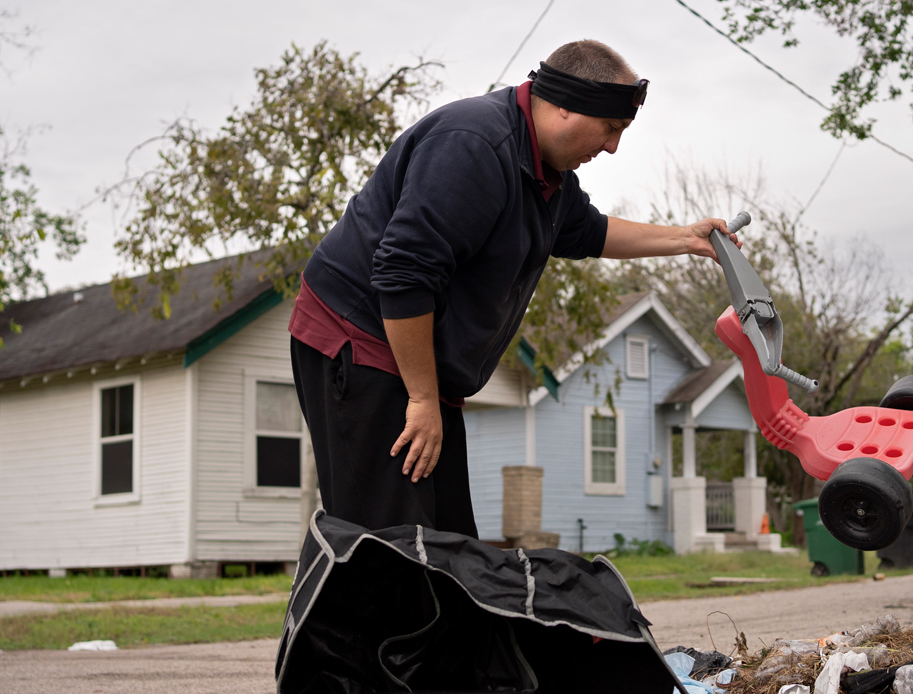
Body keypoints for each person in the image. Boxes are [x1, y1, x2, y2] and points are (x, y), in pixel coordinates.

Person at [290, 39, 734, 536]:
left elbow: (588, 231)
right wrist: (421, 399)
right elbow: (403, 273)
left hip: (418, 366)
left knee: (449, 541)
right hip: (361, 343)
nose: (612, 147)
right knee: (385, 544)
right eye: (610, 129)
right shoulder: (474, 147)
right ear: (565, 104)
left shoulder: (548, 174)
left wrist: (684, 238)